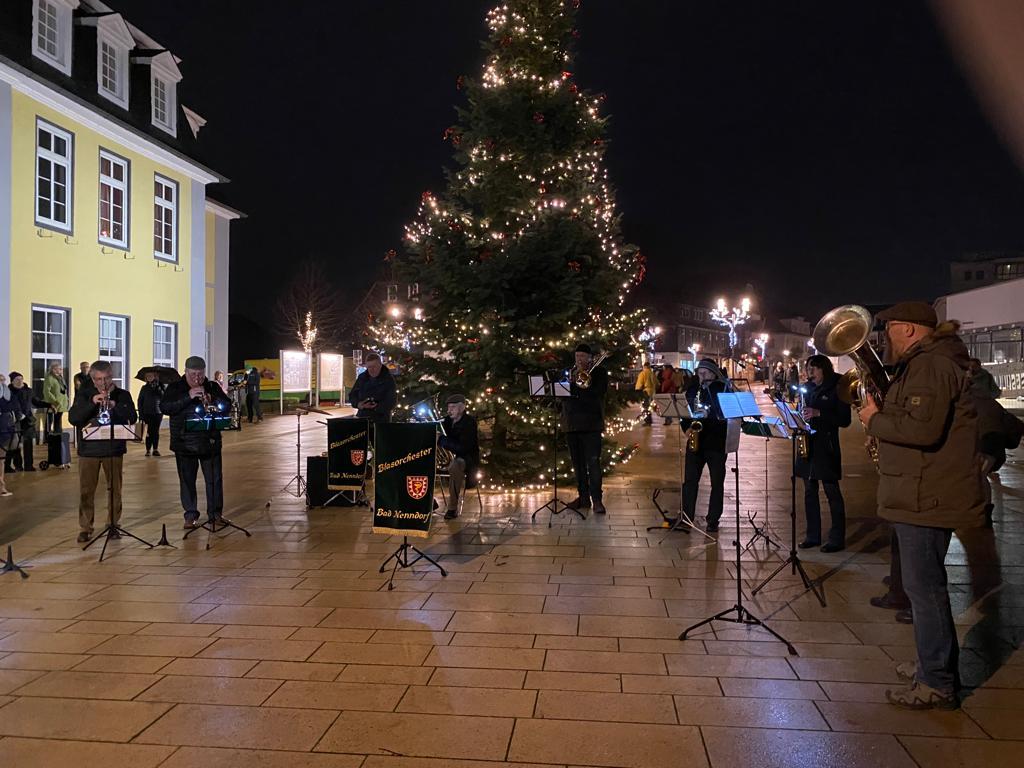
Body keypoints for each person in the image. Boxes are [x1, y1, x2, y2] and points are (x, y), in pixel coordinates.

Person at [859, 301, 985, 710]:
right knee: (925, 588)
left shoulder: (931, 366)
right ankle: (933, 666)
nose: (884, 337)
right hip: (922, 488)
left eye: (890, 328)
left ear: (910, 329)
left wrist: (874, 420)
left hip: (925, 493)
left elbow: (922, 429)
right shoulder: (930, 361)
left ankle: (937, 682)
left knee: (924, 590)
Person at [67, 361, 138, 543]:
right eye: (98, 379)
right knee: (86, 490)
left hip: (113, 449)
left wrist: (115, 405)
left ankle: (113, 524)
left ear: (111, 375)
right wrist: (92, 402)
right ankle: (85, 527)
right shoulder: (84, 395)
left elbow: (132, 417)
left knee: (115, 489)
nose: (103, 383)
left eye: (106, 378)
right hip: (88, 450)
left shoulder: (122, 395)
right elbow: (74, 418)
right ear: (92, 378)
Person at [161, 356, 232, 528]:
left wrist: (212, 400)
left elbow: (227, 405)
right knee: (187, 481)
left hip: (210, 442)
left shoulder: (212, 386)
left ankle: (215, 514)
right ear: (185, 372)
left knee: (214, 479)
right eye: (193, 374)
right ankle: (190, 514)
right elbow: (166, 407)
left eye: (200, 374)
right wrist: (188, 396)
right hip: (184, 443)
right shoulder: (175, 387)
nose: (197, 378)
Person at [795, 355, 851, 552]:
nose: (810, 373)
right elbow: (801, 410)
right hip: (807, 444)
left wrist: (819, 413)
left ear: (823, 369)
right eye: (808, 369)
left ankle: (837, 538)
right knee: (809, 492)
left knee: (831, 491)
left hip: (826, 446)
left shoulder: (838, 387)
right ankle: (813, 535)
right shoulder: (808, 388)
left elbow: (845, 420)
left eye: (813, 369)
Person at [681, 358, 732, 533]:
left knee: (717, 482)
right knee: (689, 481)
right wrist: (686, 428)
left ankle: (713, 519)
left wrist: (709, 413)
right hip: (695, 441)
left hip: (716, 442)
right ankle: (687, 516)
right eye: (699, 373)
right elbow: (684, 412)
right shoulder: (694, 389)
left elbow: (725, 416)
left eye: (704, 373)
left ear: (712, 373)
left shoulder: (722, 389)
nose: (700, 376)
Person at [563, 343, 608, 514]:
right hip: (572, 424)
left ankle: (597, 500)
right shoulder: (569, 372)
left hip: (591, 424)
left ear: (590, 358)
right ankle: (583, 498)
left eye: (582, 356)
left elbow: (599, 393)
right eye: (577, 357)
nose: (579, 360)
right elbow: (564, 397)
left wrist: (579, 386)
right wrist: (569, 384)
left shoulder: (599, 372)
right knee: (578, 464)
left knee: (593, 463)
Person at [438, 393, 480, 519]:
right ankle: (428, 503)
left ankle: (452, 508)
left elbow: (463, 447)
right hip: (450, 457)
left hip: (466, 458)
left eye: (453, 407)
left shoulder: (470, 422)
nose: (449, 410)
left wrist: (441, 439)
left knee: (455, 466)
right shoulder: (446, 421)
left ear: (462, 408)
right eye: (449, 407)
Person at [5, 372, 47, 472]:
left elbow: (35, 401)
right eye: (17, 379)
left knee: (28, 444)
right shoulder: (8, 391)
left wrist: (48, 405)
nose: (20, 381)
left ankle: (29, 466)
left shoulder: (28, 391)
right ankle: (17, 465)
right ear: (12, 381)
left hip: (28, 420)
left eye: (21, 379)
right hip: (15, 421)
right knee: (15, 445)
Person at [348, 353, 397, 424]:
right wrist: (358, 404)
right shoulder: (362, 378)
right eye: (369, 367)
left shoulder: (388, 379)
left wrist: (375, 407)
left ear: (380, 365)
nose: (371, 370)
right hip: (363, 418)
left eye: (374, 366)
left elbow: (391, 401)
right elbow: (352, 395)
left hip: (381, 420)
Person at [137, 373, 166, 457]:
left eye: (151, 376)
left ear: (155, 376)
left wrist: (159, 387)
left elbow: (164, 397)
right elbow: (140, 401)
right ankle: (148, 450)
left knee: (155, 431)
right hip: (147, 412)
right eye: (147, 376)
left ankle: (155, 449)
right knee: (148, 432)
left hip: (158, 412)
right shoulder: (144, 388)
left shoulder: (160, 386)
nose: (149, 377)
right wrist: (141, 414)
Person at [0, 375, 19, 497]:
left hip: (5, 428)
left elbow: (14, 407)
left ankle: (1, 486)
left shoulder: (8, 394)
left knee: (1, 458)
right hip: (5, 427)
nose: (2, 382)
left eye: (3, 380)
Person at [42, 362, 68, 435]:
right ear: (54, 369)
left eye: (61, 369)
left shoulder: (60, 378)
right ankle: (48, 437)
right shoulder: (49, 378)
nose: (61, 370)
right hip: (53, 403)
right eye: (59, 369)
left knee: (58, 420)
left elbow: (63, 389)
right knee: (50, 421)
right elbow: (46, 391)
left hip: (61, 403)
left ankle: (58, 435)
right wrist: (53, 401)